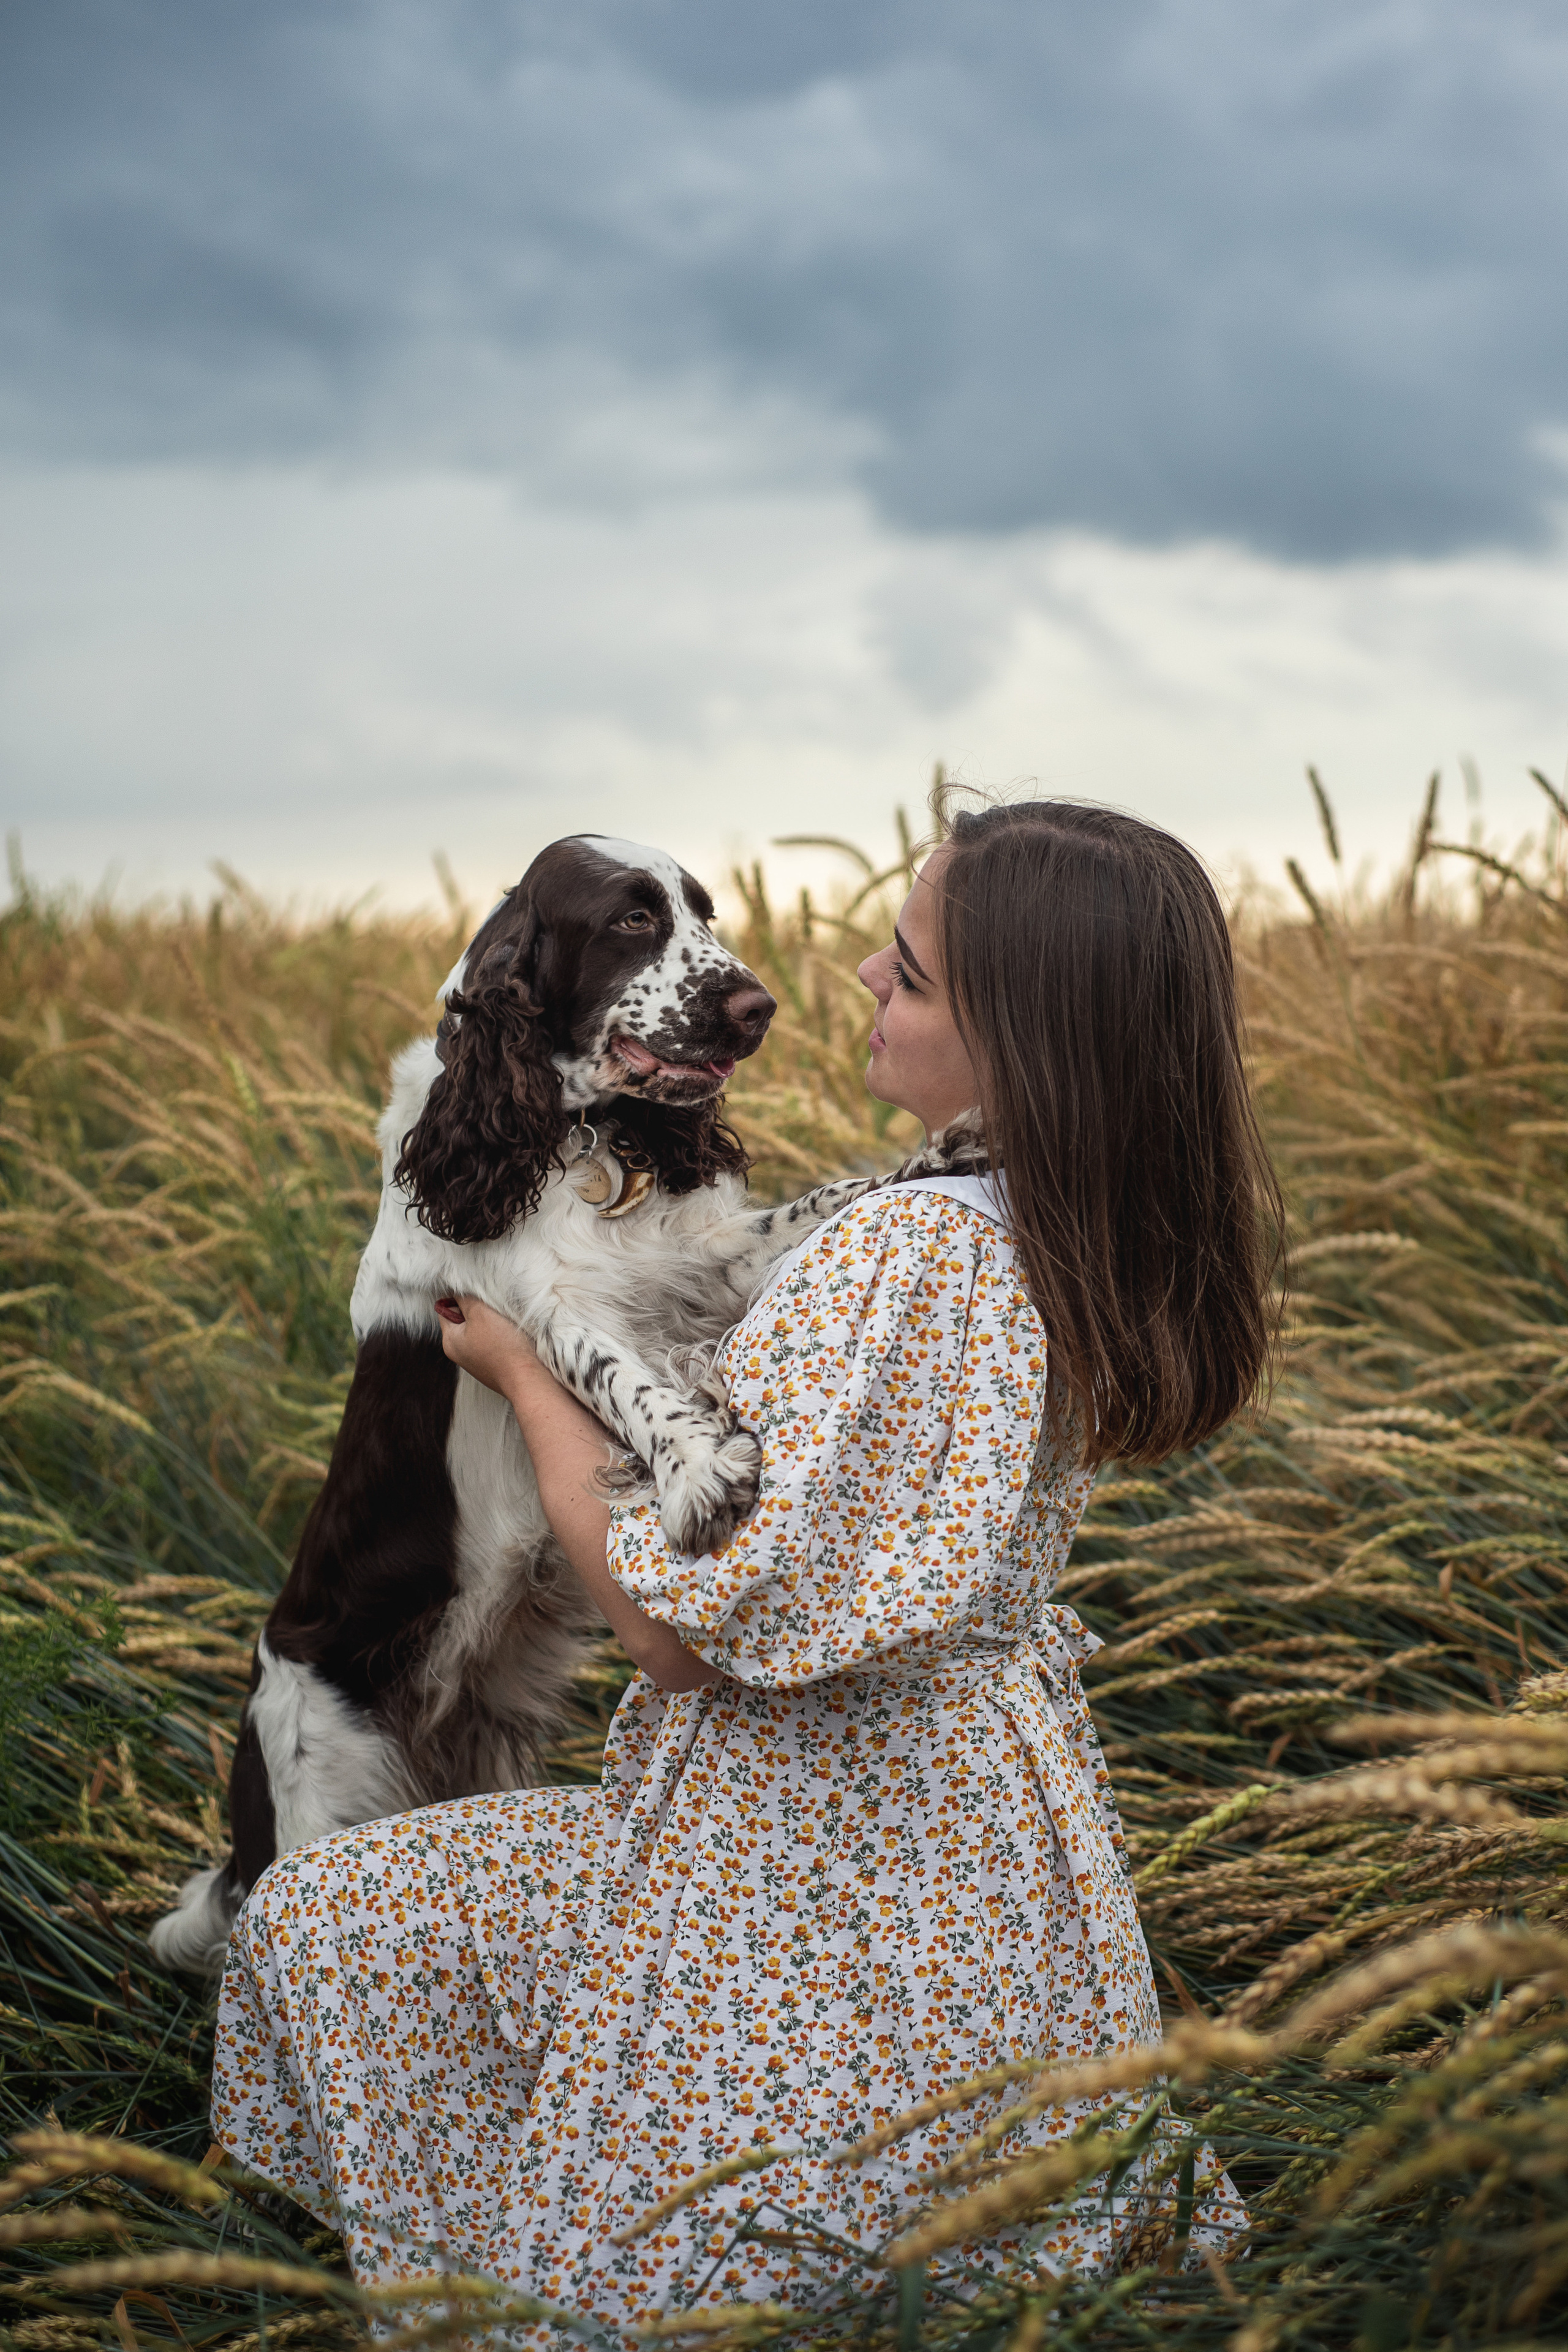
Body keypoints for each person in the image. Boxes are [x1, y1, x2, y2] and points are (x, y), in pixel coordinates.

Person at [211, 799, 1280, 2331]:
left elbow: (673, 1632)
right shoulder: (1042, 1220)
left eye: (903, 974)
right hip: (988, 1843)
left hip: (787, 1857)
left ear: (1020, 1036)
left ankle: (526, 2260)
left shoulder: (896, 1258)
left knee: (328, 1926)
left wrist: (524, 1379)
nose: (848, 976)